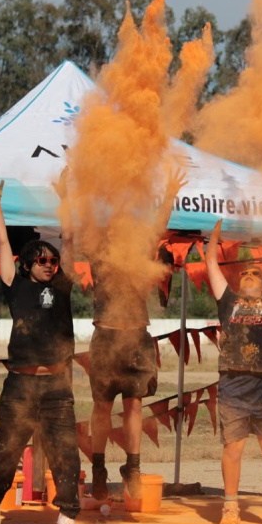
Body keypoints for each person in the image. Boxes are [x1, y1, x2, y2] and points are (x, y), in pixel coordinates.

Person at [62, 169, 187, 502]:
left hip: (136, 340)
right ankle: (100, 468)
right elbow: (84, 221)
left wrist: (171, 194)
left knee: (134, 407)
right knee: (102, 408)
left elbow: (158, 228)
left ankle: (132, 467)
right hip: (105, 338)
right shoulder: (99, 250)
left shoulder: (140, 251)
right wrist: (70, 195)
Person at [0, 168, 81, 524]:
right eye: (41, 258)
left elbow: (69, 236)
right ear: (27, 264)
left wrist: (66, 198)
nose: (49, 262)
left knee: (66, 453)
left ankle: (68, 514)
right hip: (20, 383)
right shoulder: (14, 284)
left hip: (57, 385)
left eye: (52, 259)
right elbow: (2, 242)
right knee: (8, 446)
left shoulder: (63, 285)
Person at [205, 219, 262, 524]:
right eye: (244, 272)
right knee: (234, 447)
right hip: (232, 382)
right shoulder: (228, 301)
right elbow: (210, 262)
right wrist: (215, 232)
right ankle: (230, 507)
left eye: (255, 273)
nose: (247, 274)